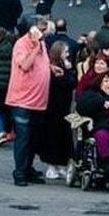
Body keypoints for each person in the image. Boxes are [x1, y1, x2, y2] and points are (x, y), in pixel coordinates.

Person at [5, 18, 52, 186]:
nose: (44, 30)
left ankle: (28, 168)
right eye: (41, 27)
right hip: (23, 100)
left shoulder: (43, 44)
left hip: (39, 100)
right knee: (23, 138)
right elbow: (24, 65)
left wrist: (51, 68)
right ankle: (19, 172)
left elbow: (41, 64)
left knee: (34, 138)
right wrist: (36, 47)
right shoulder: (22, 44)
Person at [39, 41, 76, 180]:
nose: (68, 53)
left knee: (63, 137)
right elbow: (65, 84)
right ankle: (51, 165)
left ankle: (61, 164)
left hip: (64, 107)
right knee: (52, 136)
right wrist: (68, 72)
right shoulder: (53, 68)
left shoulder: (66, 66)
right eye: (65, 51)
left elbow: (72, 83)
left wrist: (69, 70)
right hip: (52, 107)